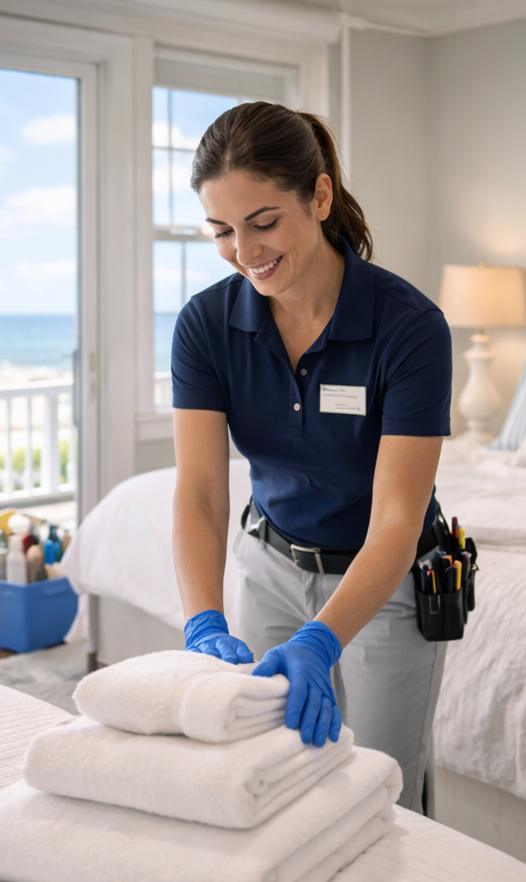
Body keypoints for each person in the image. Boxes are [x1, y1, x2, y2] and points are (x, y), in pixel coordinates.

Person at [169, 101, 452, 812]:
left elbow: (395, 518)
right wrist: (203, 620)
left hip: (387, 584)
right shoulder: (206, 325)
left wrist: (323, 641)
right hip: (268, 568)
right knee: (268, 783)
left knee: (381, 796)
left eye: (263, 222)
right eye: (222, 231)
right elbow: (201, 492)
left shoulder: (409, 328)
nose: (245, 250)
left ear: (319, 197)